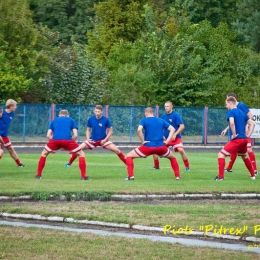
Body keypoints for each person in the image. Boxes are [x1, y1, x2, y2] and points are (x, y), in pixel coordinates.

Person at [125, 107, 181, 180]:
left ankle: (131, 176)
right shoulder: (161, 120)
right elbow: (173, 129)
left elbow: (139, 130)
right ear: (153, 112)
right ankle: (177, 177)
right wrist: (167, 141)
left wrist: (142, 141)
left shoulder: (144, 121)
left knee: (129, 156)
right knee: (172, 158)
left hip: (148, 147)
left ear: (146, 113)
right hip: (161, 147)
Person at [35, 110, 90, 180]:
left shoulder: (54, 121)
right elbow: (75, 135)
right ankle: (83, 176)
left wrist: (56, 143)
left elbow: (48, 135)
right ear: (68, 115)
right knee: (81, 154)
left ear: (59, 115)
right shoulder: (71, 120)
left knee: (44, 153)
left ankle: (38, 175)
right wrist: (68, 144)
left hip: (55, 140)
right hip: (67, 140)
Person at [215, 96, 255, 180]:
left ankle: (220, 177)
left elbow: (232, 123)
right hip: (244, 139)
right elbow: (252, 123)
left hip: (237, 139)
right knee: (244, 156)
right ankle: (253, 176)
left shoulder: (231, 112)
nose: (226, 106)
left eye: (226, 104)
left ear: (230, 103)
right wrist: (248, 134)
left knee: (221, 154)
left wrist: (233, 134)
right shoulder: (241, 112)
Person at [152, 101, 190, 171]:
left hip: (175, 138)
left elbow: (182, 126)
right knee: (155, 150)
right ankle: (156, 166)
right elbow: (161, 127)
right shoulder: (163, 116)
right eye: (165, 106)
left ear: (171, 106)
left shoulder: (176, 115)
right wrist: (162, 135)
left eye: (168, 106)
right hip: (166, 139)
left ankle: (187, 167)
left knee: (180, 150)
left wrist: (175, 134)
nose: (166, 108)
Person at [0, 100, 25, 167]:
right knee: (0, 152)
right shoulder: (1, 112)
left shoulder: (12, 114)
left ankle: (19, 163)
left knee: (10, 149)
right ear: (10, 106)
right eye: (15, 106)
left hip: (4, 136)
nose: (16, 107)